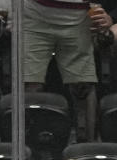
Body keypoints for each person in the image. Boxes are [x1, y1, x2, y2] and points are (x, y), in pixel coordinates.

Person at [23, 0, 99, 141]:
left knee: (82, 86)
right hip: (34, 13)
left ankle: (88, 148)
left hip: (78, 16)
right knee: (30, 84)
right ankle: (28, 147)